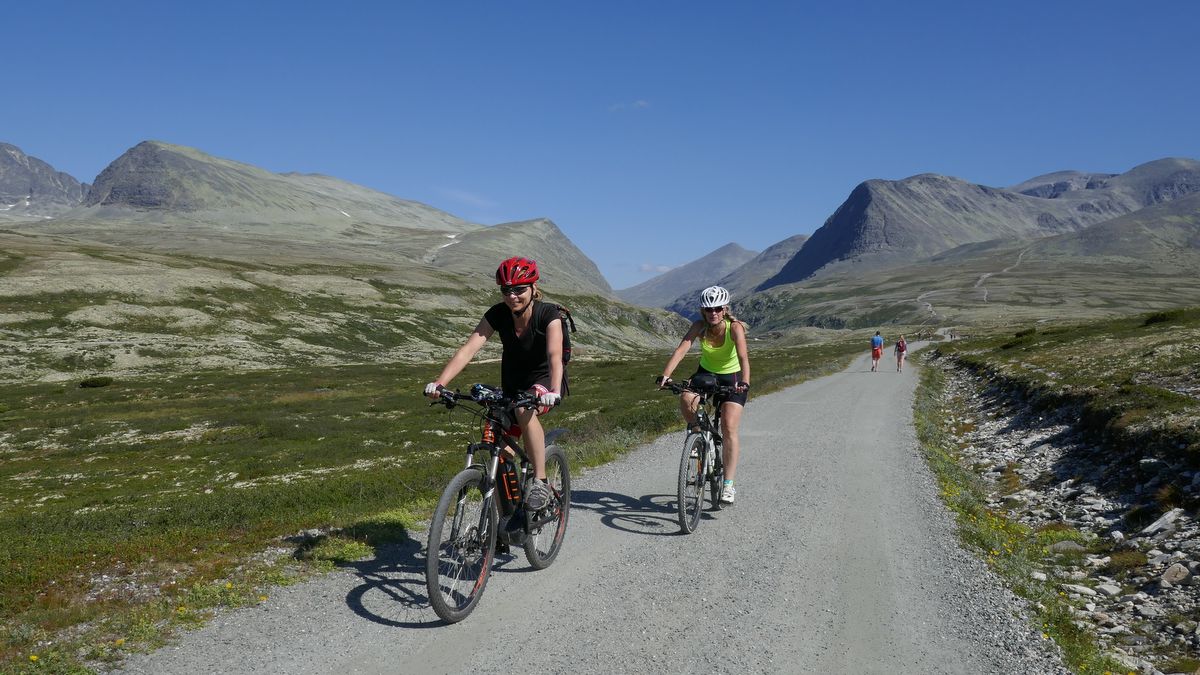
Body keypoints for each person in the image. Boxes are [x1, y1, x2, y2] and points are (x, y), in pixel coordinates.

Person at [424, 256, 565, 511]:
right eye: (506, 290)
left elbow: (555, 355)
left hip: (544, 382)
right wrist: (440, 383)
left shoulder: (548, 314)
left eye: (519, 290)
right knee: (500, 456)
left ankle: (540, 481)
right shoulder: (498, 314)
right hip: (512, 385)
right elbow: (468, 350)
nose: (512, 296)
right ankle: (504, 523)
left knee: (523, 410)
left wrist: (553, 391)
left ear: (533, 288)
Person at [657, 285, 750, 505]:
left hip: (732, 377)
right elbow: (681, 349)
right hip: (706, 374)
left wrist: (744, 382)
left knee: (729, 426)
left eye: (718, 308)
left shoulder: (734, 328)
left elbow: (743, 357)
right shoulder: (699, 326)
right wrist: (666, 375)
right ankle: (697, 436)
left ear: (725, 309)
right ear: (703, 311)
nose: (713, 313)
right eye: (709, 309)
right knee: (686, 397)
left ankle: (728, 484)